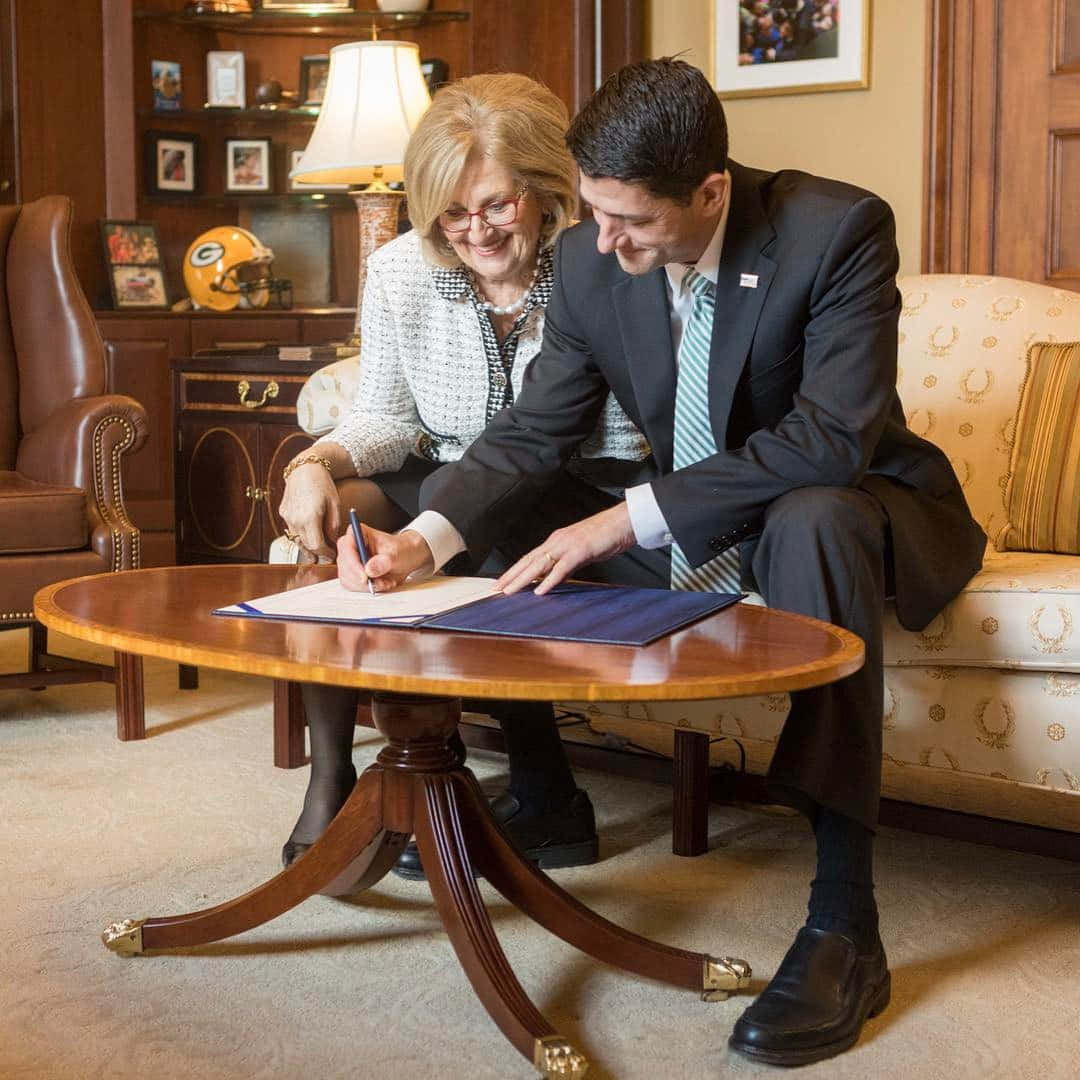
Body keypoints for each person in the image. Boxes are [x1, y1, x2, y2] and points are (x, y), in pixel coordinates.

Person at [340, 58, 986, 1066]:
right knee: (527, 505)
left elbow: (828, 442)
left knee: (815, 515)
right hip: (701, 534)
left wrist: (626, 520)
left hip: (839, 519)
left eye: (631, 221)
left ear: (712, 191)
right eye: (595, 215)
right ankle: (549, 800)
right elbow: (532, 431)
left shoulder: (837, 231)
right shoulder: (597, 261)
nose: (602, 242)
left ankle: (844, 922)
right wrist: (425, 538)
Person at [276, 73, 656, 876]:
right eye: (451, 211)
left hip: (586, 486)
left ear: (547, 189)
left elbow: (623, 431)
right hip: (453, 473)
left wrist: (471, 497)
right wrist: (312, 462)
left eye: (496, 205)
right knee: (339, 511)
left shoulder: (605, 263)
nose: (473, 231)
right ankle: (336, 781)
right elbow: (387, 416)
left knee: (505, 511)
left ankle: (549, 798)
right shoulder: (402, 271)